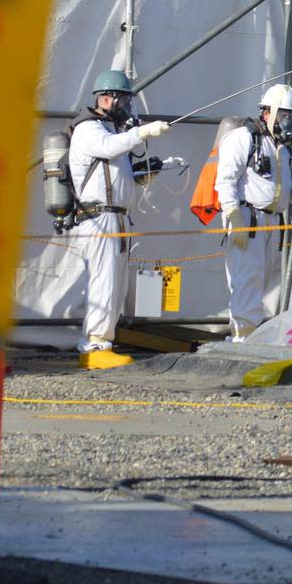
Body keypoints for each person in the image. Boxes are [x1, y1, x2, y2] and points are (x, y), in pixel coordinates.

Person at [69, 70, 169, 369]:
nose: (126, 105)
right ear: (105, 98)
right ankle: (95, 344)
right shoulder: (90, 129)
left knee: (116, 283)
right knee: (103, 281)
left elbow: (115, 173)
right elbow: (107, 149)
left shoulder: (111, 131)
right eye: (122, 99)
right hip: (98, 218)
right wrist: (142, 133)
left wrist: (146, 172)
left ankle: (104, 341)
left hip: (116, 218)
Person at [216, 84, 292, 341]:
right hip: (248, 219)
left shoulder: (280, 146)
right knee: (246, 278)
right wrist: (233, 216)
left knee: (262, 280)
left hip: (271, 221)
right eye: (284, 115)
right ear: (267, 113)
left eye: (291, 116)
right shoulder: (243, 138)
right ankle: (242, 335)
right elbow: (225, 180)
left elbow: (277, 183)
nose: (288, 122)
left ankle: (252, 332)